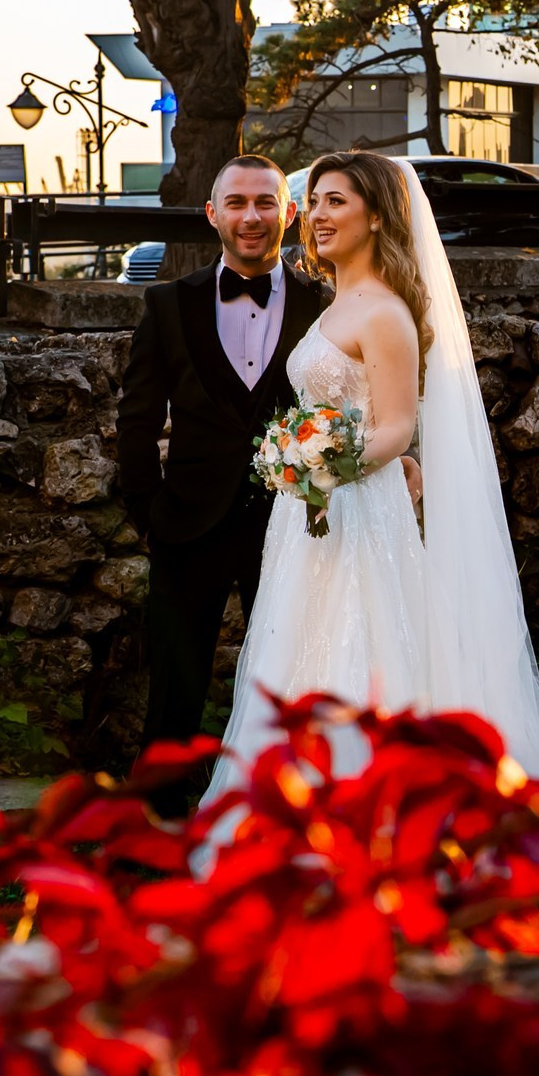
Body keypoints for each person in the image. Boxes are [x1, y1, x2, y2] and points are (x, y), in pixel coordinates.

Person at [199, 150, 539, 835]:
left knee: (359, 652)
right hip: (315, 513)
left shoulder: (384, 314)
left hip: (357, 506)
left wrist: (317, 461)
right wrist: (298, 460)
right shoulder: (339, 301)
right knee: (301, 650)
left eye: (336, 201)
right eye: (313, 201)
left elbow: (398, 428)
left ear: (375, 216)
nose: (316, 215)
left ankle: (371, 818)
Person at [118, 155, 330, 750]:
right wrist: (148, 514)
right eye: (236, 203)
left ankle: (288, 814)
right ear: (213, 214)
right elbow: (136, 420)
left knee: (296, 682)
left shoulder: (326, 305)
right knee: (174, 693)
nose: (251, 216)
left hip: (292, 525)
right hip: (187, 526)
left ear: (288, 213)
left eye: (265, 202)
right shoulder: (166, 305)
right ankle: (158, 822)